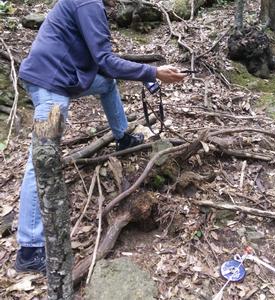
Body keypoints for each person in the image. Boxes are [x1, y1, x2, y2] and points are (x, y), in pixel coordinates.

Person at [15, 0, 186, 273]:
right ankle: (29, 248)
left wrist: (147, 76)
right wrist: (152, 72)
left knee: (106, 83)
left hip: (63, 77)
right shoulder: (88, 3)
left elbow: (103, 66)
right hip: (50, 85)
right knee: (41, 161)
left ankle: (123, 136)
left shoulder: (90, 4)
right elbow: (106, 59)